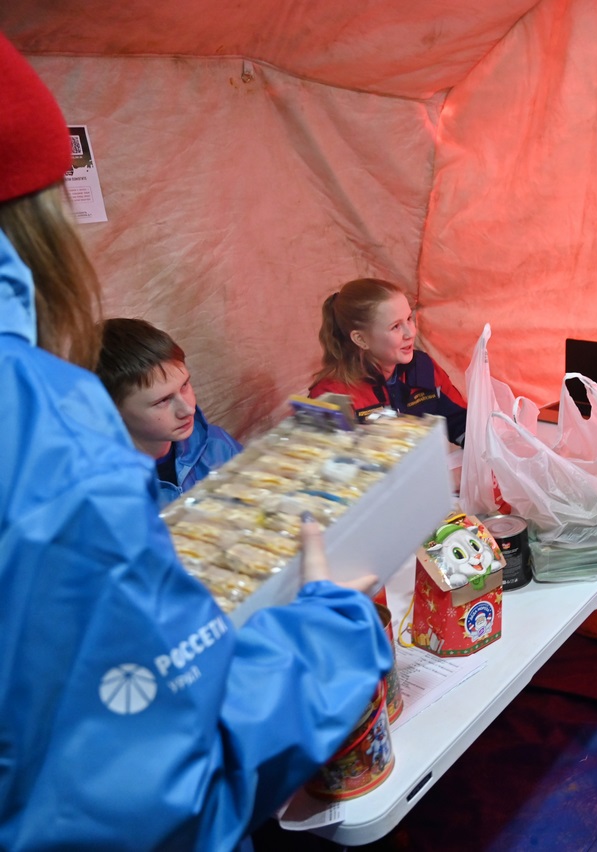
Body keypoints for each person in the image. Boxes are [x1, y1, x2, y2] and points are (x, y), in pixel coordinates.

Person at [0, 33, 391, 850]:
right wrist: (333, 628)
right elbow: (164, 760)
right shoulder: (50, 428)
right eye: (162, 399)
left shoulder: (208, 445)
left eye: (188, 390)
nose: (185, 409)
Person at [96, 317, 242, 504]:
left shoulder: (216, 445)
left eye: (184, 385)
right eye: (163, 400)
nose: (188, 409)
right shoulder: (103, 494)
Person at [310, 277, 467, 445]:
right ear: (361, 339)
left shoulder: (423, 368)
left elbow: (460, 423)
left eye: (409, 319)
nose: (410, 333)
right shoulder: (331, 396)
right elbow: (324, 458)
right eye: (395, 326)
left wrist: (484, 441)